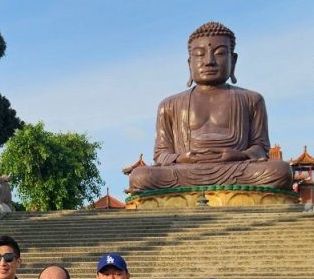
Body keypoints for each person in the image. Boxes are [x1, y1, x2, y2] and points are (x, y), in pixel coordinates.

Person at [123, 21, 292, 191]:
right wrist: (181, 158)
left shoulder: (251, 99)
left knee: (281, 171)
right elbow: (161, 154)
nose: (209, 61)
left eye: (219, 53)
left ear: (233, 61)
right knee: (140, 176)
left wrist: (240, 155)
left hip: (236, 169)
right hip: (184, 171)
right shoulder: (169, 105)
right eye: (199, 54)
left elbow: (261, 148)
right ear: (190, 63)